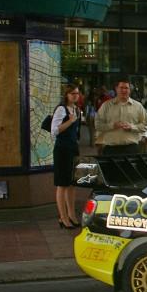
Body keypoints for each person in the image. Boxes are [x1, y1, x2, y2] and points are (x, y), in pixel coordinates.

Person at [52, 85, 82, 229]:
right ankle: (62, 217)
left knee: (72, 183)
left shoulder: (76, 109)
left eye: (77, 93)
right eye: (72, 93)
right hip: (62, 150)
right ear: (66, 95)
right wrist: (69, 121)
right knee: (62, 184)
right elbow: (54, 131)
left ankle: (71, 214)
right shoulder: (61, 109)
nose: (75, 96)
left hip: (72, 149)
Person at [95, 81, 147, 155]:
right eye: (121, 88)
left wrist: (132, 127)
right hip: (110, 149)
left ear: (130, 90)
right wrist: (112, 125)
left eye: (126, 88)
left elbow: (146, 125)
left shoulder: (138, 106)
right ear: (116, 89)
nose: (124, 90)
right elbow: (98, 125)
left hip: (131, 149)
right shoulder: (106, 106)